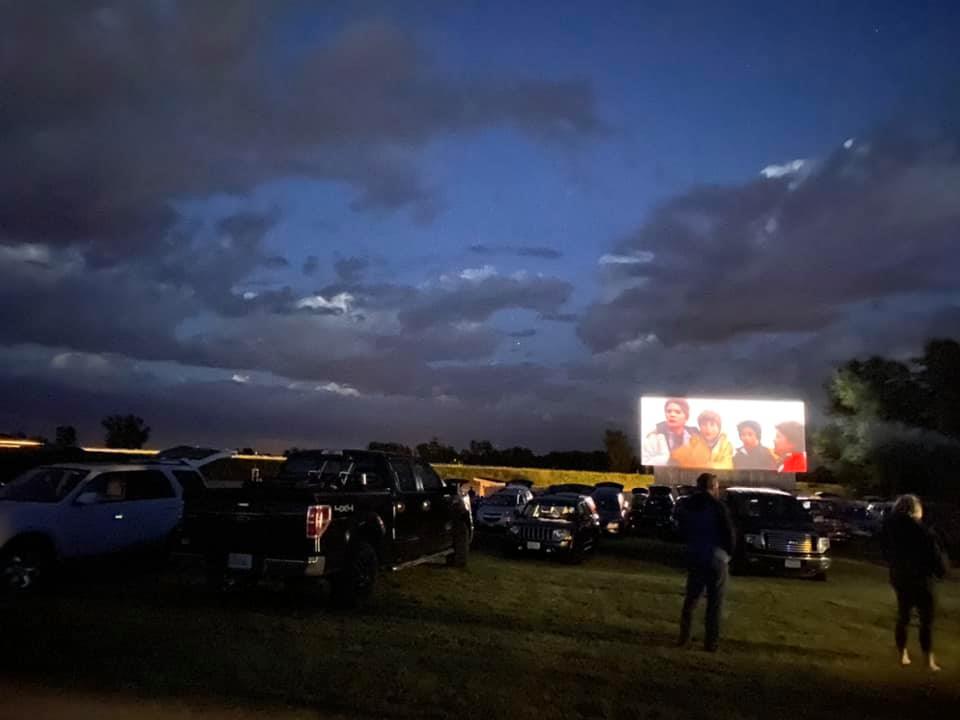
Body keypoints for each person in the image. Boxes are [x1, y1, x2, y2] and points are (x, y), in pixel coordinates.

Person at [880, 494, 948, 672]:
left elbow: (884, 551)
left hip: (900, 577)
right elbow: (934, 555)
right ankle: (928, 659)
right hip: (922, 579)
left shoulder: (890, 529)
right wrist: (941, 571)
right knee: (926, 619)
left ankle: (902, 654)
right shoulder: (923, 531)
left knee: (903, 616)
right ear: (915, 510)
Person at [677, 472, 736, 652]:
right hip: (716, 557)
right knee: (715, 603)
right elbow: (729, 533)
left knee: (691, 600)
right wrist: (728, 554)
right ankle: (711, 642)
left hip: (696, 555)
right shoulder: (718, 507)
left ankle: (684, 637)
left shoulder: (687, 505)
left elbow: (681, 530)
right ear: (713, 487)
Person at [642, 398, 700, 466]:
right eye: (669, 411)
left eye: (678, 412)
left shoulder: (696, 438)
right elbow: (645, 461)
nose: (672, 415)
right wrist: (668, 459)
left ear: (686, 417)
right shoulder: (653, 439)